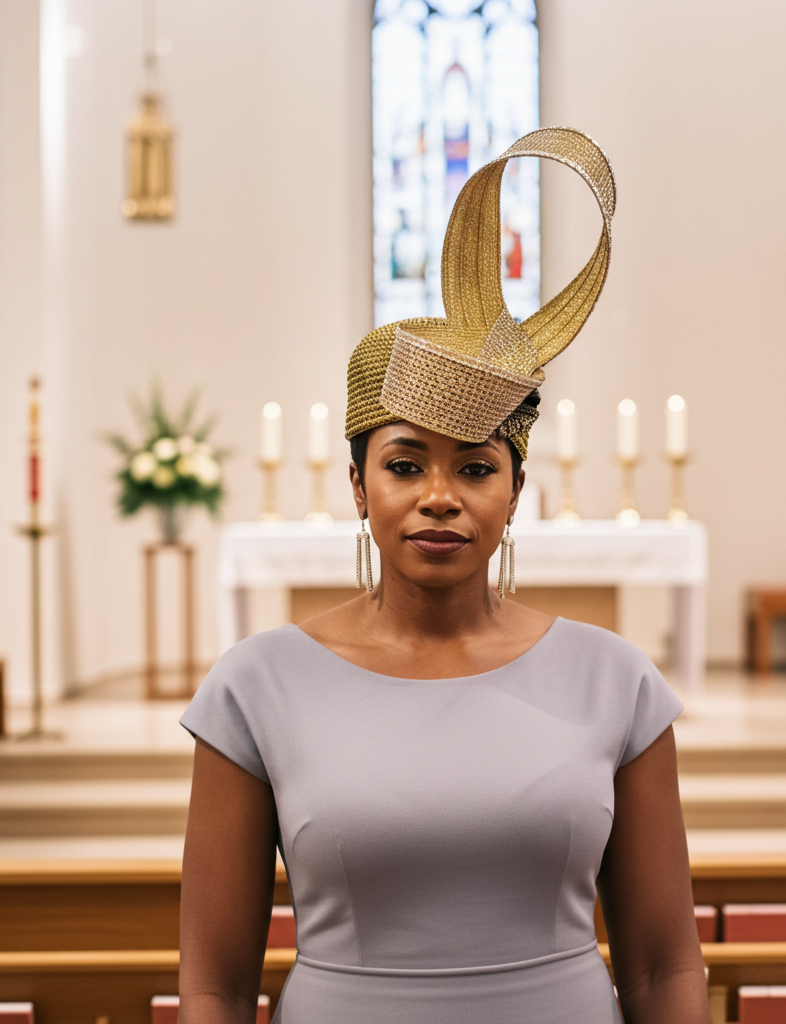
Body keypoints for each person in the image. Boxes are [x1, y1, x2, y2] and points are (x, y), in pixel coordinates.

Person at [178, 127, 711, 1024]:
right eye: (403, 465)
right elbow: (215, 987)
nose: (439, 497)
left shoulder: (615, 681)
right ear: (358, 487)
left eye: (474, 467)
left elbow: (664, 968)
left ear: (515, 491)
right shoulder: (255, 687)